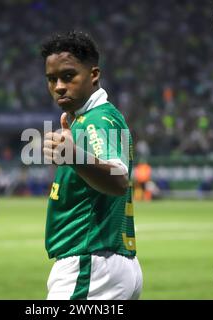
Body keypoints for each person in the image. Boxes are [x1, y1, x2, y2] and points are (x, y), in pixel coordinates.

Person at [41, 31, 142, 299]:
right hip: (106, 262)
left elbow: (118, 180)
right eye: (52, 79)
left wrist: (73, 156)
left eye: (68, 76)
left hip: (89, 265)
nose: (59, 86)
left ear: (93, 75)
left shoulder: (97, 120)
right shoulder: (88, 120)